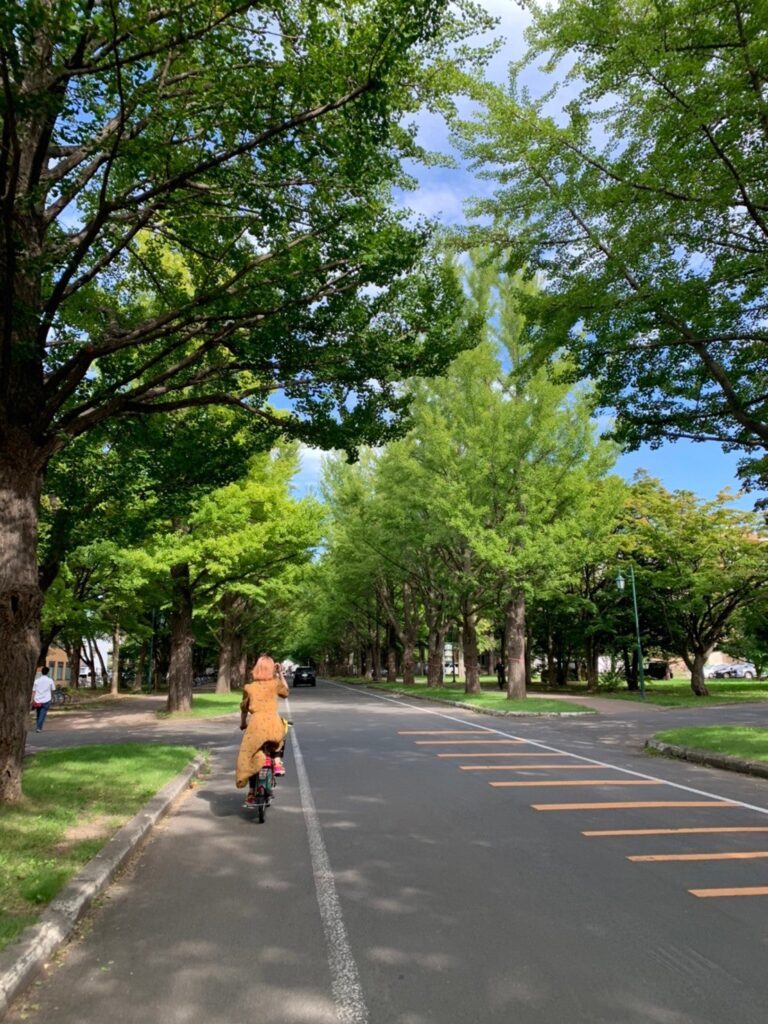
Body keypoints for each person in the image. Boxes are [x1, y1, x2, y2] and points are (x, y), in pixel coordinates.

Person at [236, 654, 289, 805]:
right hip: (273, 722)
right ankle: (277, 762)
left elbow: (244, 709)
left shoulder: (249, 688)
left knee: (250, 755)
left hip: (256, 725)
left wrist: (243, 723)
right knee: (280, 736)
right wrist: (280, 674)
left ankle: (251, 792)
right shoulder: (275, 683)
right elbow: (286, 692)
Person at [31, 665, 56, 732]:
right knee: (42, 714)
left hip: (37, 700)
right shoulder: (50, 680)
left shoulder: (37, 680)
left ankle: (38, 726)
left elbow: (34, 691)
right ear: (48, 672)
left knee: (38, 714)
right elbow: (53, 690)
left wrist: (32, 699)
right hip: (46, 700)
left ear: (41, 672)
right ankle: (39, 728)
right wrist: (51, 698)